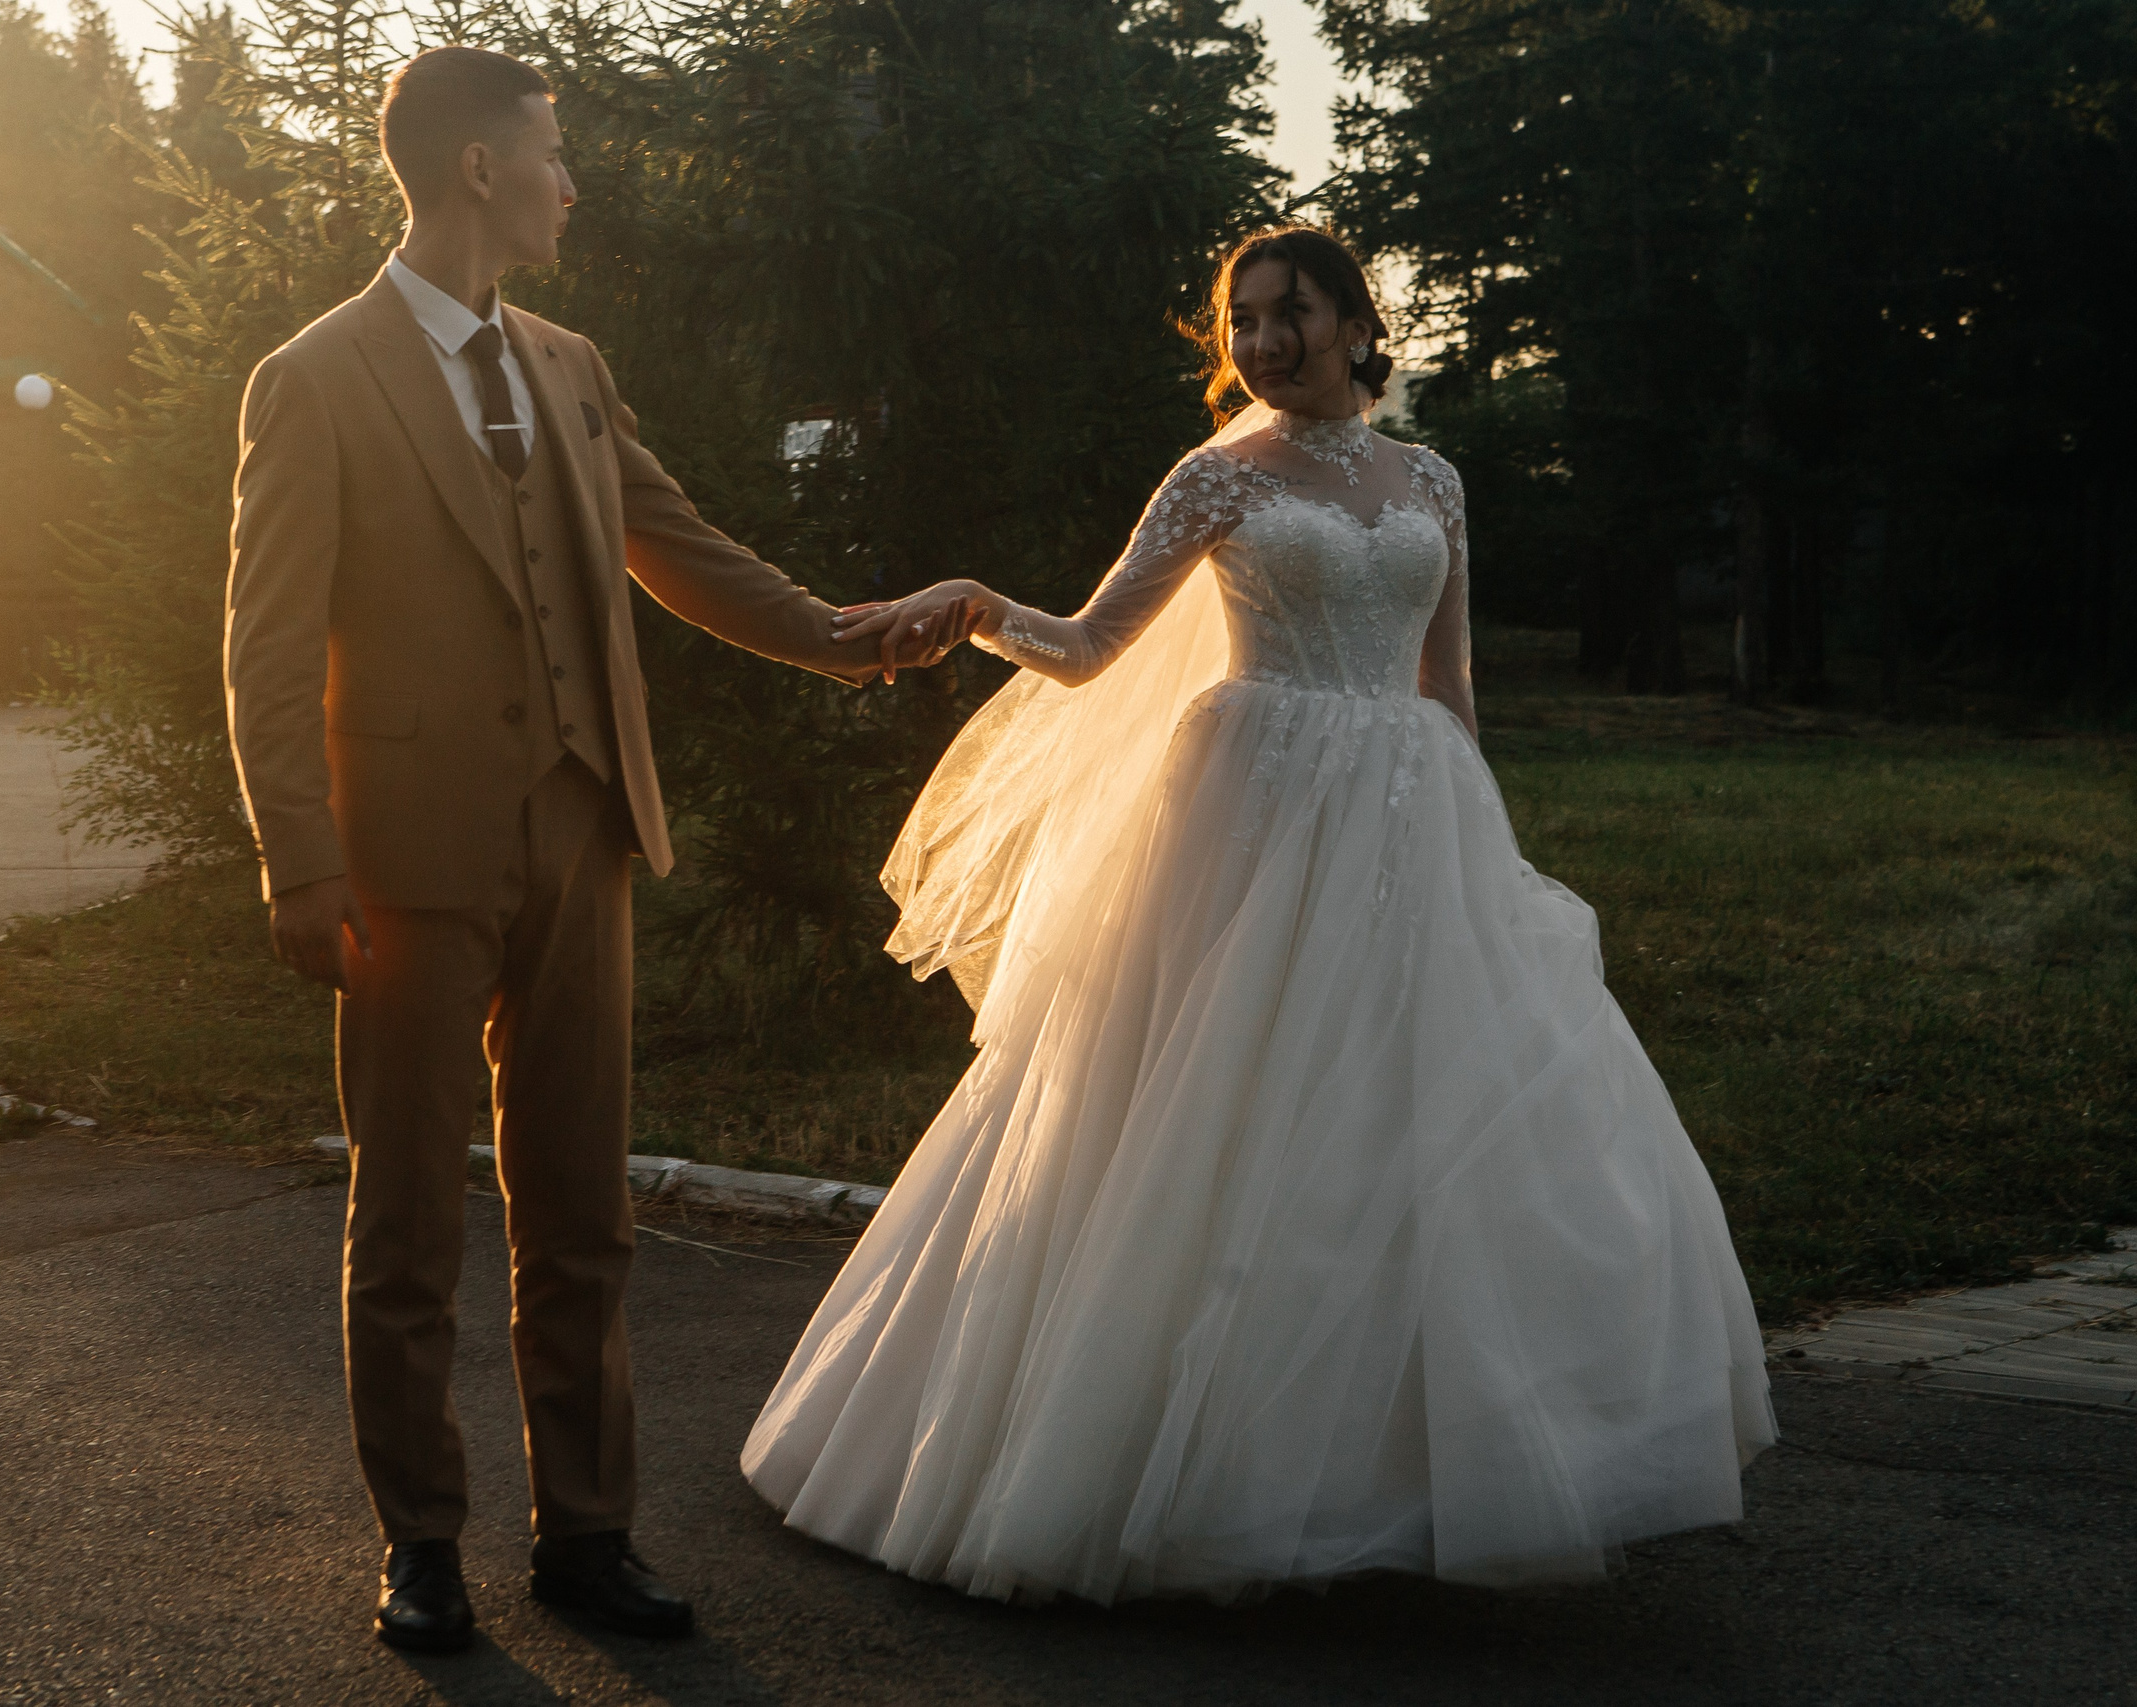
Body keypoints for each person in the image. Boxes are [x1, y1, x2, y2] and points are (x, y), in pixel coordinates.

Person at [752, 226, 1777, 1601]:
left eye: (1290, 313)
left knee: (1405, 1130)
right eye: (1241, 320)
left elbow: (1448, 683)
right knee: (1207, 1123)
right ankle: (1162, 1469)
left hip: (1413, 818)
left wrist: (1489, 850)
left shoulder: (1435, 480)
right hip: (1250, 821)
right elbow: (1089, 648)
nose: (1262, 342)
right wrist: (984, 605)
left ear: (1360, 323)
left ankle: (1399, 1475)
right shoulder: (1213, 478)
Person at [223, 45, 945, 1654]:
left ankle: (588, 1535)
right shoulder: (318, 377)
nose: (572, 180)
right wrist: (301, 859)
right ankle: (421, 1544)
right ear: (479, 168)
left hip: (582, 825)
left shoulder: (568, 362)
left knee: (581, 1208)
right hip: (403, 857)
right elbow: (265, 652)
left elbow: (675, 547)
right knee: (407, 1214)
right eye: (553, 152)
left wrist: (849, 640)